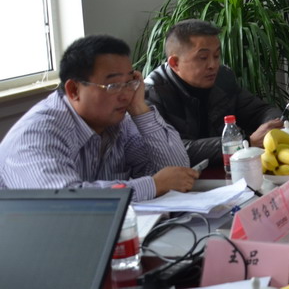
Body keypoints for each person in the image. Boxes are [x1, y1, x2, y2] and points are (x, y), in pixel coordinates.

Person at [0, 35, 196, 200]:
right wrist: (153, 185)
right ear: (74, 90)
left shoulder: (120, 122)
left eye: (129, 82)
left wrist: (139, 109)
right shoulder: (36, 135)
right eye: (113, 86)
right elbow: (63, 202)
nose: (125, 95)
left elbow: (178, 172)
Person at [144, 20, 283, 167]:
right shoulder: (152, 93)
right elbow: (170, 151)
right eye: (203, 58)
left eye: (216, 56)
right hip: (178, 178)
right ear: (175, 63)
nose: (213, 65)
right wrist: (245, 142)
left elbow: (261, 111)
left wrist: (271, 128)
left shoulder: (222, 78)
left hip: (224, 170)